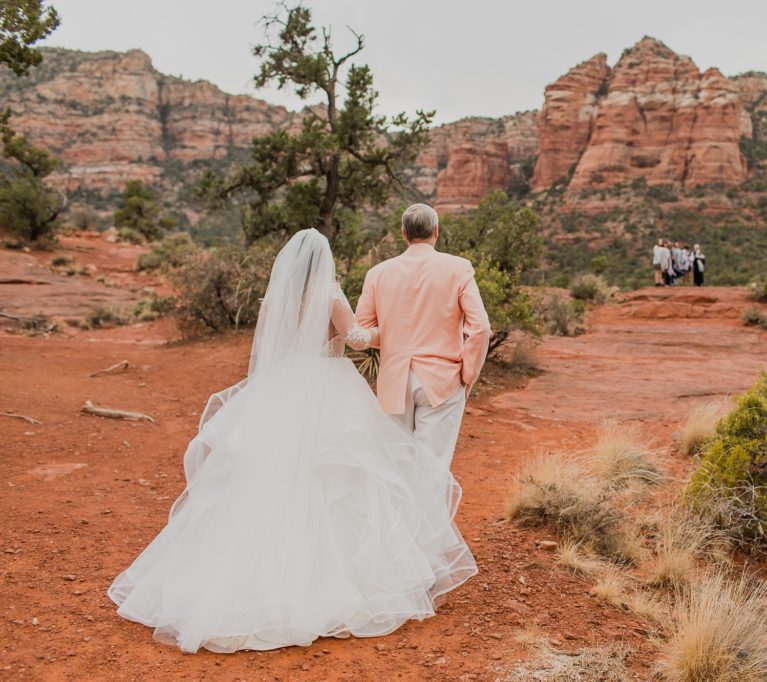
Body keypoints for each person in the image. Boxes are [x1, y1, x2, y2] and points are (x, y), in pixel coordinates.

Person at [108, 229, 478, 654]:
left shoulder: (277, 299)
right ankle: (332, 586)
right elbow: (357, 340)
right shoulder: (331, 295)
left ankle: (238, 585)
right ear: (325, 261)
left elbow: (278, 343)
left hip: (281, 387)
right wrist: (390, 334)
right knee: (335, 479)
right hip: (327, 387)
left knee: (270, 477)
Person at [356, 204, 491, 470]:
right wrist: (468, 374)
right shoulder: (459, 268)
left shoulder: (377, 273)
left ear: (404, 233)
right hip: (442, 380)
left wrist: (395, 336)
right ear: (436, 232)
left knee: (397, 469)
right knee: (431, 468)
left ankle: (399, 514)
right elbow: (481, 328)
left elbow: (362, 330)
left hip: (394, 381)